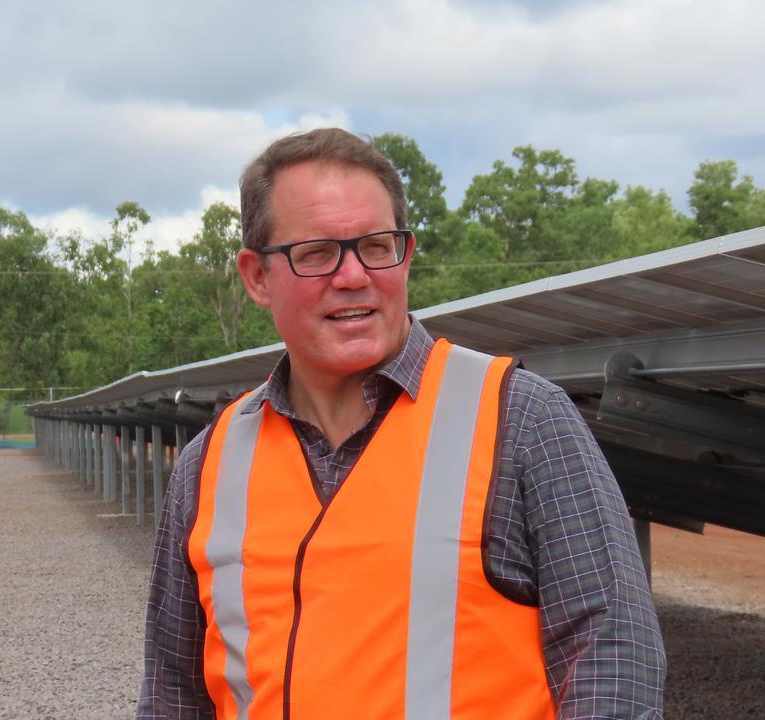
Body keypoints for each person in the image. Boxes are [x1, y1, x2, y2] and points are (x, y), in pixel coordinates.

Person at [137, 129, 665, 719]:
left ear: (405, 254)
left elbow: (614, 660)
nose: (354, 276)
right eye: (316, 253)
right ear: (257, 277)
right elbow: (173, 692)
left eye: (377, 246)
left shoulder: (520, 420)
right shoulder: (209, 464)